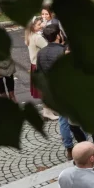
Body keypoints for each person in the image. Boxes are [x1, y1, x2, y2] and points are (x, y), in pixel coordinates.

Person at [36, 22, 83, 159]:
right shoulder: (63, 52)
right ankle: (82, 144)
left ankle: (69, 147)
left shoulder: (41, 53)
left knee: (63, 120)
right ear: (58, 35)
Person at [25, 16, 46, 100]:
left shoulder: (29, 34)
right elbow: (48, 48)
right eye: (39, 24)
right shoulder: (37, 37)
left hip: (34, 64)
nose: (41, 25)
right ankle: (47, 110)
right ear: (33, 26)